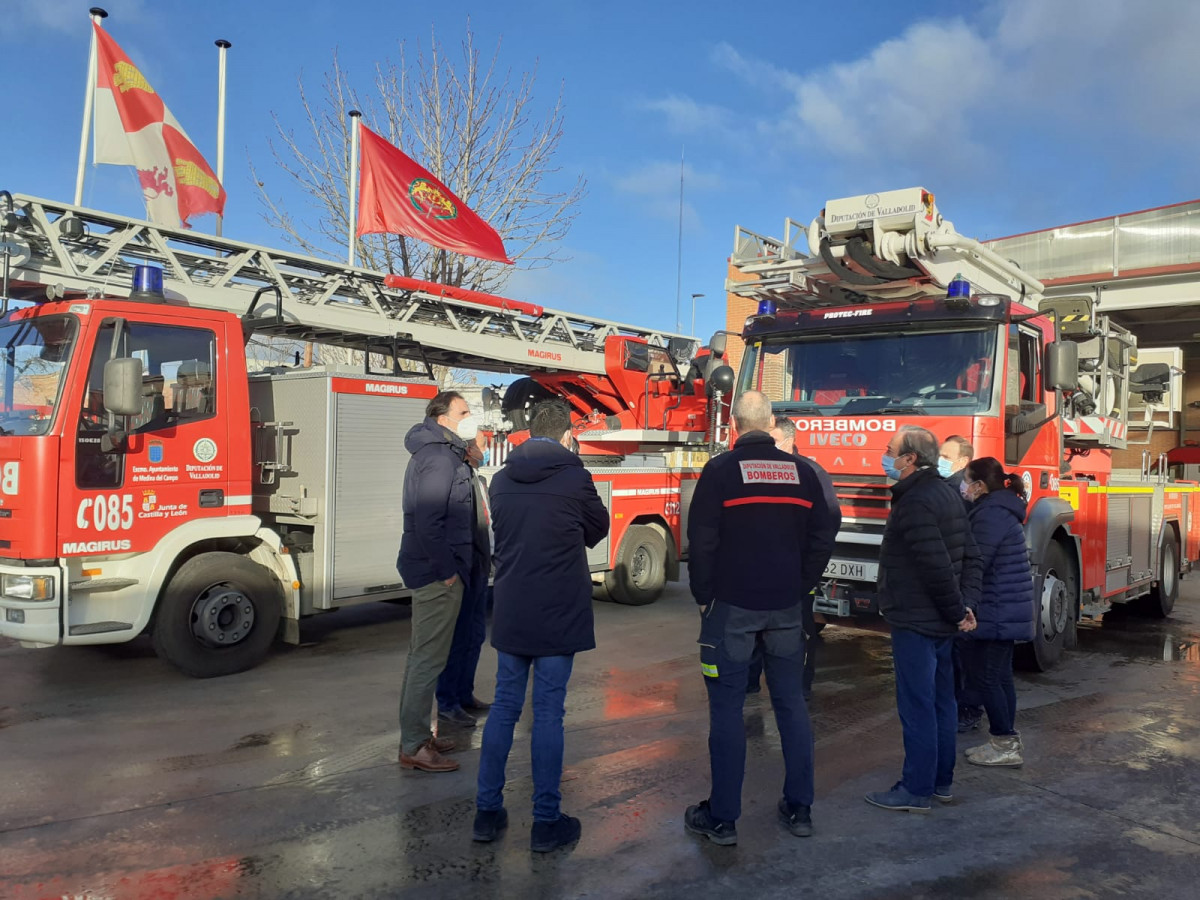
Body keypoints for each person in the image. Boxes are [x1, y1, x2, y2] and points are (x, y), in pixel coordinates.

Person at [683, 391, 837, 846]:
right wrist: (803, 582)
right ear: (771, 423)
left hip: (731, 609)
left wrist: (703, 596)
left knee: (727, 710)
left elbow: (702, 541)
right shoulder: (803, 473)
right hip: (787, 607)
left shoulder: (720, 472)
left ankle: (724, 818)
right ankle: (800, 807)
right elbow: (824, 532)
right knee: (791, 704)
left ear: (733, 425)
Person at [473, 401, 609, 853]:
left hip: (513, 607)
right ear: (569, 434)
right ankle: (545, 823)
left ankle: (487, 813)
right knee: (548, 713)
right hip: (557, 610)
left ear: (529, 433)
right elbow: (598, 527)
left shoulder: (500, 479)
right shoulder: (575, 476)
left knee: (505, 708)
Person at [865, 425, 982, 813]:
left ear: (910, 459)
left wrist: (957, 610)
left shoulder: (915, 501)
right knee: (942, 703)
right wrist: (965, 608)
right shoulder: (948, 496)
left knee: (917, 707)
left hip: (918, 622)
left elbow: (935, 567)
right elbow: (971, 557)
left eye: (890, 450)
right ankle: (940, 782)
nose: (885, 455)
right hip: (942, 622)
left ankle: (916, 789)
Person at [396, 391, 475, 773]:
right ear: (442, 417)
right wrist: (447, 571)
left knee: (422, 658)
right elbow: (430, 522)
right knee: (427, 661)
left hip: (431, 568)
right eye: (464, 412)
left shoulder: (439, 453)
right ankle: (413, 745)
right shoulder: (440, 457)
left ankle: (416, 737)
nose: (470, 418)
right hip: (435, 573)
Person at [746, 416, 842, 700]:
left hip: (795, 577)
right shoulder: (759, 470)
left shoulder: (811, 472)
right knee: (752, 633)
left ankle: (799, 688)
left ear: (789, 441)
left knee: (799, 634)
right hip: (758, 574)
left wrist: (807, 576)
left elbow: (827, 526)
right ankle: (750, 683)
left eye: (774, 441)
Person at [960, 457, 1035, 767]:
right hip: (1005, 607)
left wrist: (965, 603)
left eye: (966, 480)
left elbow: (977, 562)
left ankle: (1005, 744)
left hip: (996, 609)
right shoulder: (1001, 510)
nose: (962, 487)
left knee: (989, 679)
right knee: (1001, 678)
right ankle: (1005, 741)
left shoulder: (989, 515)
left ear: (980, 485)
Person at [436, 418, 494, 728]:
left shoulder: (479, 480)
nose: (486, 452)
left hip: (480, 568)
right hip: (465, 569)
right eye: (483, 446)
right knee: (458, 639)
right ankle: (448, 702)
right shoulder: (457, 479)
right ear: (469, 447)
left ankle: (465, 694)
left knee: (474, 636)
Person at [940, 435, 985, 733]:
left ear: (963, 461)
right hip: (959, 584)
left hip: (958, 583)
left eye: (946, 455)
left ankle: (967, 709)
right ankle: (964, 707)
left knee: (962, 653)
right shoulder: (951, 488)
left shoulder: (955, 492)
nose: (940, 459)